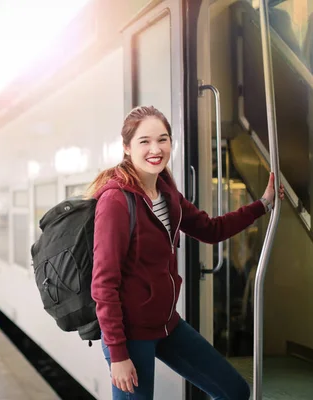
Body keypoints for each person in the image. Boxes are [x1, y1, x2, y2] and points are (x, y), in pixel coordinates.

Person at [88, 105, 285, 400]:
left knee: (234, 391)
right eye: (144, 141)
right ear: (127, 148)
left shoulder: (167, 193)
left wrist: (262, 205)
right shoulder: (116, 201)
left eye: (163, 139)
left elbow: (211, 229)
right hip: (129, 335)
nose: (156, 149)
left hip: (167, 325)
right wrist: (118, 354)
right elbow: (104, 283)